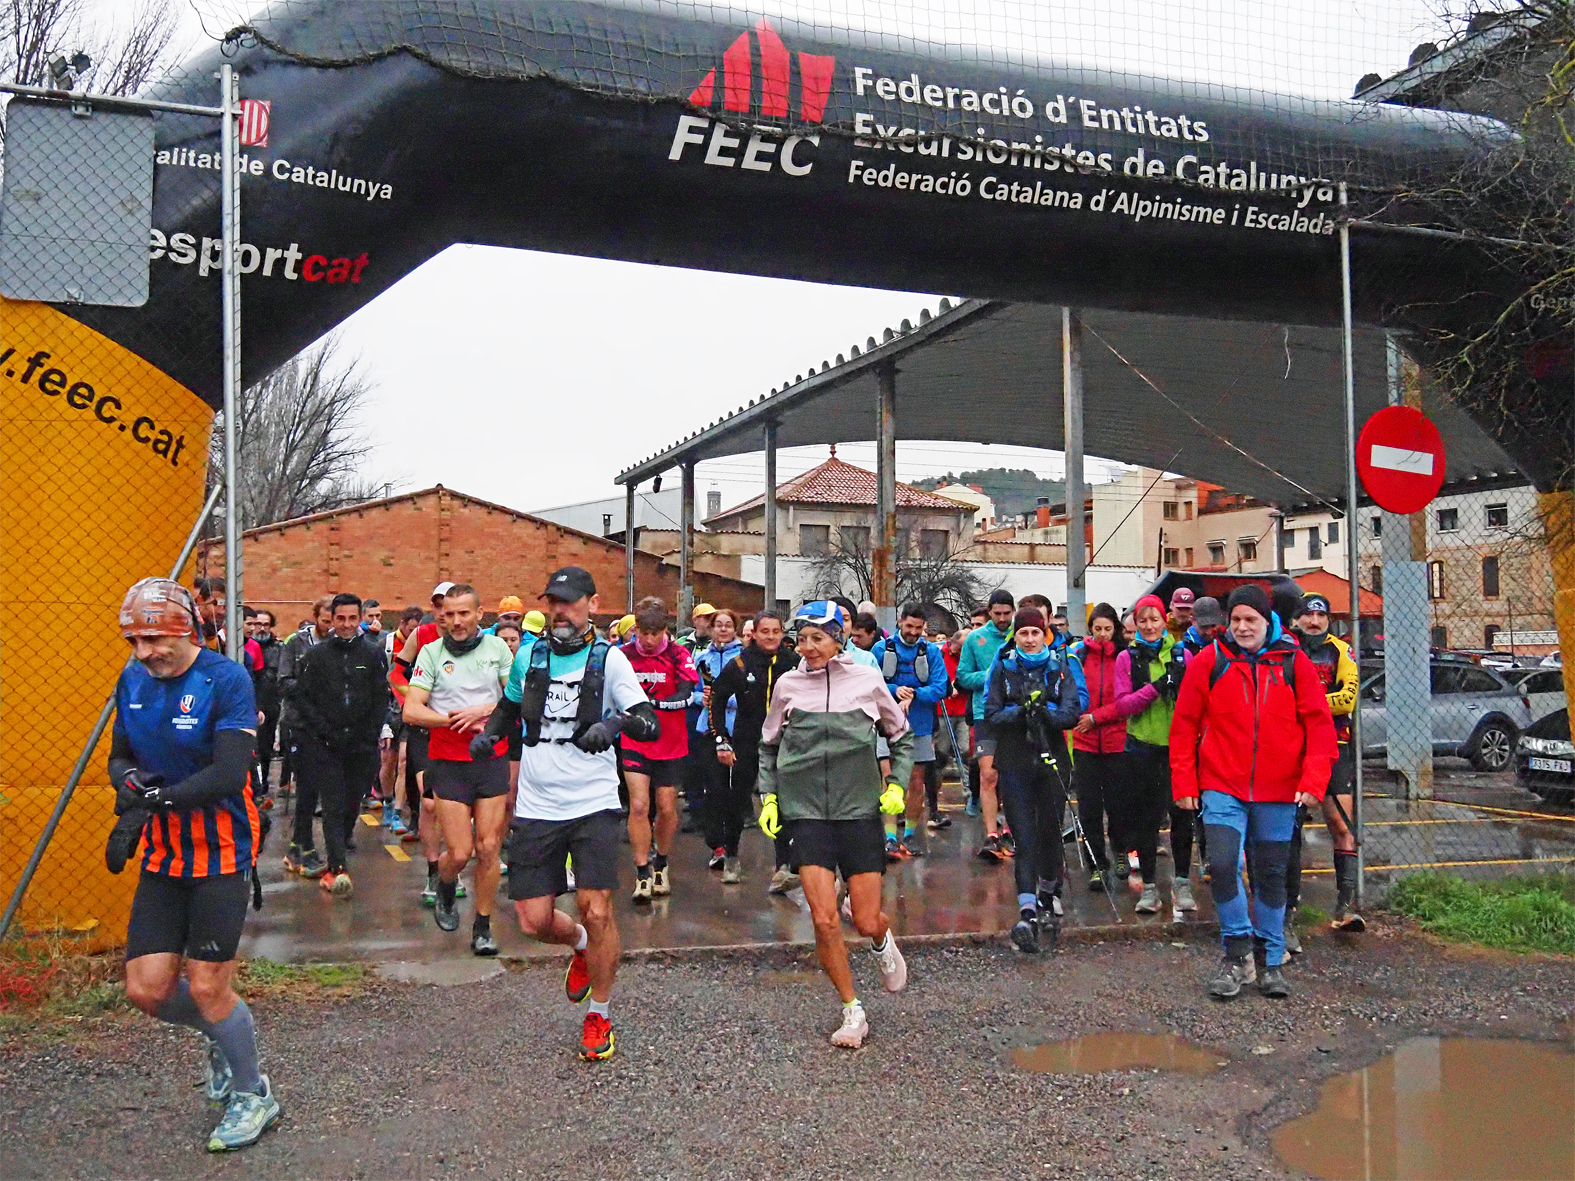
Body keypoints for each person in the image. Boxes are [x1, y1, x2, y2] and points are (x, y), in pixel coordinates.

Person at [108, 578, 278, 1151]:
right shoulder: (132, 679)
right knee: (145, 990)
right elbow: (119, 757)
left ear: (186, 631)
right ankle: (225, 1035)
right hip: (164, 854)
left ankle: (253, 1093)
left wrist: (159, 798)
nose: (143, 652)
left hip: (222, 850)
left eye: (153, 639)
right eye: (134, 641)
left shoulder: (225, 678)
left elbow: (228, 774)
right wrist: (131, 783)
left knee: (207, 986)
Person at [470, 565, 659, 1061]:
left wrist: (612, 726)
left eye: (570, 603)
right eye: (553, 603)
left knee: (597, 909)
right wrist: (491, 735)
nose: (560, 612)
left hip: (593, 801)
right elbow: (509, 708)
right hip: (538, 804)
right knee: (532, 922)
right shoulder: (529, 655)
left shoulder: (610, 660)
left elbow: (648, 721)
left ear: (591, 606)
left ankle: (600, 1014)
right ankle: (578, 945)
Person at [755, 601, 911, 1048]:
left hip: (858, 809)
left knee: (864, 919)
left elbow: (901, 737)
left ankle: (881, 938)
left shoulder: (866, 679)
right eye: (802, 639)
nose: (808, 647)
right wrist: (770, 797)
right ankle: (852, 1010)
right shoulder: (787, 684)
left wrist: (897, 785)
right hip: (805, 812)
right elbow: (768, 745)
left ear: (838, 640)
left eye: (817, 638)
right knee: (824, 921)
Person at [1171, 584, 1337, 999]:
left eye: (1251, 620)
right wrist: (1185, 782)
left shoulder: (1293, 662)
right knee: (1222, 864)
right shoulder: (1210, 660)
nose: (1243, 627)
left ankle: (1270, 960)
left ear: (1267, 621)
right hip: (1221, 785)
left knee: (1271, 875)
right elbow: (1184, 724)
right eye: (1236, 620)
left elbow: (1320, 726)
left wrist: (1313, 782)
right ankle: (1237, 953)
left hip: (1279, 790)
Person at [403, 584, 514, 954]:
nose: (456, 621)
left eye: (464, 613)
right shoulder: (431, 652)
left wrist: (482, 712)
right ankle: (446, 882)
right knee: (461, 852)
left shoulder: (497, 648)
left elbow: (513, 699)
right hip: (448, 761)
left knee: (488, 847)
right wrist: (452, 721)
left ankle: (482, 926)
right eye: (449, 614)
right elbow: (411, 710)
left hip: (491, 757)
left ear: (479, 614)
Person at [986, 606, 1082, 951]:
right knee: (1025, 837)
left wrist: (1046, 714)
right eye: (1023, 633)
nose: (1029, 640)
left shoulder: (1060, 666)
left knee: (1050, 832)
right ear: (1016, 636)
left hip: (1052, 759)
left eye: (1035, 633)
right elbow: (991, 713)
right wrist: (1020, 712)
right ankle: (1026, 911)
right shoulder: (1004, 667)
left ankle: (1048, 894)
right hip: (1015, 761)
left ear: (1045, 635)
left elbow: (1072, 712)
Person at [285, 594, 388, 897]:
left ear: (360, 619)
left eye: (352, 618)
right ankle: (337, 867)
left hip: (361, 745)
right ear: (332, 619)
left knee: (352, 803)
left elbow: (381, 697)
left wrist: (370, 732)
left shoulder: (373, 655)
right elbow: (303, 697)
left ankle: (339, 849)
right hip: (325, 744)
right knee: (332, 803)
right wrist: (324, 730)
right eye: (340, 618)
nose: (346, 624)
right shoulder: (316, 656)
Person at [1102, 594, 1191, 914]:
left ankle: (1183, 882)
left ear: (1165, 620)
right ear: (1135, 624)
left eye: (1155, 620)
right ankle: (1150, 887)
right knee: (1145, 820)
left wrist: (1178, 685)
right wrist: (1157, 687)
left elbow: (1195, 699)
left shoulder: (1181, 654)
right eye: (1143, 621)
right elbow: (1123, 705)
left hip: (1178, 747)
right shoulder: (1127, 658)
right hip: (1141, 745)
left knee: (1182, 817)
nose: (1150, 626)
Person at [1290, 593, 1364, 934]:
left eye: (1321, 616)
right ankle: (1288, 904)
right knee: (1288, 828)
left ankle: (1345, 906)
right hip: (1293, 747)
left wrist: (1306, 703)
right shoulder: (1287, 649)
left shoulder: (1341, 651)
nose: (1315, 622)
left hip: (1335, 744)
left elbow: (1347, 699)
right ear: (1297, 619)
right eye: (1308, 615)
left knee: (1341, 825)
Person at [713, 610, 800, 892]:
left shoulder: (794, 663)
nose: (771, 637)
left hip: (784, 743)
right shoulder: (740, 663)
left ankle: (783, 865)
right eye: (765, 631)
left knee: (782, 801)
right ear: (754, 633)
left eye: (776, 631)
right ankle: (731, 858)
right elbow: (717, 698)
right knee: (737, 801)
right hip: (746, 741)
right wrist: (721, 739)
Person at [618, 596, 699, 901]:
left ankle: (661, 863)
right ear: (635, 629)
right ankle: (641, 872)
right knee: (639, 806)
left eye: (656, 633)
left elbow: (687, 694)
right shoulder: (622, 656)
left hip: (670, 741)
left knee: (666, 808)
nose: (649, 640)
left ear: (666, 630)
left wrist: (653, 705)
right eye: (644, 633)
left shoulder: (678, 654)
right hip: (635, 740)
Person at [390, 584, 457, 898]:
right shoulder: (421, 635)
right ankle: (433, 870)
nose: (444, 613)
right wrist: (412, 703)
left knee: (452, 805)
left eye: (450, 606)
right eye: (439, 606)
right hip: (424, 731)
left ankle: (450, 868)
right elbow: (396, 674)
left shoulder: (477, 641)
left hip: (458, 732)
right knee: (429, 802)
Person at [872, 602, 950, 858]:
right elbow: (871, 683)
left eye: (918, 628)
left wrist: (915, 694)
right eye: (909, 627)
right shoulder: (881, 649)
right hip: (887, 726)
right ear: (900, 622)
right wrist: (896, 691)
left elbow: (941, 687)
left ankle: (909, 835)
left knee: (917, 782)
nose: (913, 632)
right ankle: (889, 837)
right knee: (890, 780)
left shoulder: (931, 653)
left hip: (920, 726)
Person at [1070, 604, 1129, 889]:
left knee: (1119, 804)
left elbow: (1127, 701)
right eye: (1097, 629)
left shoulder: (1125, 656)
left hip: (1117, 739)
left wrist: (1097, 718)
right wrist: (1079, 717)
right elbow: (1072, 693)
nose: (1103, 634)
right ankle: (1096, 863)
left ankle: (1120, 851)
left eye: (1107, 629)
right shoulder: (1079, 656)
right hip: (1085, 741)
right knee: (1089, 808)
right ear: (1090, 629)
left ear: (1115, 628)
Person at [956, 589, 1015, 860]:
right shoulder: (975, 639)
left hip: (1013, 713)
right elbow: (963, 677)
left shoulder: (1020, 634)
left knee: (1012, 775)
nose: (1002, 619)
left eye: (1006, 613)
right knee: (988, 775)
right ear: (989, 612)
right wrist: (991, 674)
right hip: (985, 713)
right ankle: (991, 833)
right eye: (997, 613)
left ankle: (1011, 829)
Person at [279, 596, 332, 878]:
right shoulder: (295, 642)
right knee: (306, 786)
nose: (330, 626)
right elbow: (284, 681)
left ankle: (299, 846)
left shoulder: (339, 644)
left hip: (328, 726)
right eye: (325, 620)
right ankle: (303, 846)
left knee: (319, 788)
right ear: (315, 617)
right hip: (298, 724)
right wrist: (312, 690)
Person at [694, 608, 746, 880]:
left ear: (735, 629)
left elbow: (750, 693)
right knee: (714, 789)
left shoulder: (743, 659)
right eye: (718, 625)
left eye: (728, 625)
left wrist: (724, 699)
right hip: (709, 729)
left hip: (738, 730)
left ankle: (733, 844)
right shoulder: (702, 658)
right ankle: (717, 845)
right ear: (712, 628)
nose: (723, 629)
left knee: (735, 790)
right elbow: (692, 690)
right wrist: (701, 699)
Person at [935, 627, 971, 828]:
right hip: (943, 710)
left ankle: (969, 794)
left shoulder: (968, 656)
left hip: (963, 710)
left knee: (964, 751)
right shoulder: (939, 654)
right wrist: (947, 686)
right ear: (954, 642)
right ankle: (934, 795)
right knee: (940, 754)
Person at [248, 609, 283, 795]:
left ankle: (262, 786)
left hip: (270, 703)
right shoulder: (245, 646)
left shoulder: (279, 648)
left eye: (266, 625)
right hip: (249, 702)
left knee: (265, 747)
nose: (261, 628)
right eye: (258, 624)